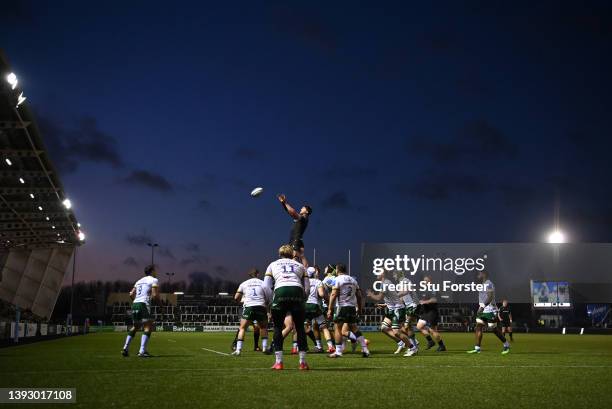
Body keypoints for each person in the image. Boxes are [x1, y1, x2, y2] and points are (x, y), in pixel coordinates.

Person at [264, 244, 310, 370]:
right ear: (292, 255)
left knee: (278, 327)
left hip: (281, 291)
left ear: (280, 254)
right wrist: (303, 299)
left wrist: (270, 303)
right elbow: (307, 287)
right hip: (297, 292)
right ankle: (303, 363)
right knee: (300, 328)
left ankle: (279, 362)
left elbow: (266, 287)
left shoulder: (272, 264)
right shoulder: (300, 266)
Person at [366, 271, 415, 356]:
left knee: (396, 332)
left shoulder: (385, 283)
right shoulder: (386, 282)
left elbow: (379, 297)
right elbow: (393, 297)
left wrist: (371, 295)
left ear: (383, 274)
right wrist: (385, 305)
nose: (376, 274)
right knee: (384, 327)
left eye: (378, 272)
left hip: (397, 309)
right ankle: (401, 343)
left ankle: (412, 347)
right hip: (391, 308)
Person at [327, 264, 370, 358]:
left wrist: (330, 309)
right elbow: (359, 296)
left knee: (337, 328)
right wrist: (360, 309)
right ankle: (365, 349)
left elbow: (333, 294)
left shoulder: (337, 279)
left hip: (342, 306)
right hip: (351, 307)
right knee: (354, 328)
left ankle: (338, 351)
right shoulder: (353, 280)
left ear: (337, 270)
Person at [467, 271, 510, 354]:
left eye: (479, 274)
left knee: (493, 329)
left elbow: (490, 297)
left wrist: (482, 306)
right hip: (483, 310)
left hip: (490, 310)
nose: (478, 275)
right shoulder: (482, 284)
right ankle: (477, 348)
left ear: (484, 274)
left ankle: (506, 344)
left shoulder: (489, 283)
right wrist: (481, 306)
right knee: (478, 327)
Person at [121, 264, 159, 358]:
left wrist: (135, 300)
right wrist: (161, 305)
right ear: (152, 271)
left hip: (135, 304)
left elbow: (131, 294)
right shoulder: (154, 280)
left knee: (135, 326)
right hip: (143, 305)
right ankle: (142, 351)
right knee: (148, 326)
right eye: (155, 270)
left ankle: (125, 348)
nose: (156, 272)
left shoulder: (139, 281)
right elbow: (154, 295)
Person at [232, 269, 272, 356]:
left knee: (242, 328)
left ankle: (238, 350)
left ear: (249, 275)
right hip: (261, 307)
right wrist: (266, 305)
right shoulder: (263, 283)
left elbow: (236, 297)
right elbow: (270, 297)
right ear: (258, 274)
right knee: (263, 327)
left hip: (249, 306)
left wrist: (242, 301)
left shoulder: (244, 283)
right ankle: (265, 348)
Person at [304, 266, 335, 353]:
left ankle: (303, 346)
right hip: (315, 306)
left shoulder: (303, 281)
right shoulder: (318, 281)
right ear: (314, 274)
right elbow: (321, 294)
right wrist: (327, 298)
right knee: (324, 327)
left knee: (304, 327)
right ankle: (330, 346)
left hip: (305, 306)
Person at [415, 275, 446, 352]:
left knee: (433, 331)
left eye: (426, 280)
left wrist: (424, 302)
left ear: (430, 281)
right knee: (419, 326)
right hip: (425, 312)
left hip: (432, 312)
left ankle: (442, 346)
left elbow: (434, 300)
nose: (424, 282)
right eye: (424, 281)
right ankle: (430, 341)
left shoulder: (432, 289)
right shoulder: (425, 289)